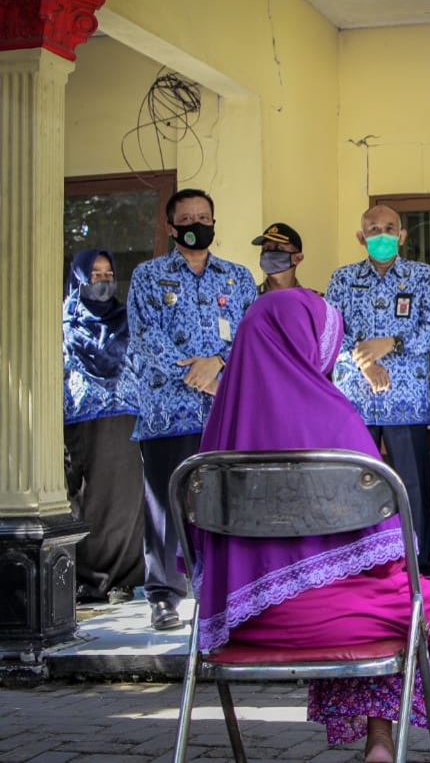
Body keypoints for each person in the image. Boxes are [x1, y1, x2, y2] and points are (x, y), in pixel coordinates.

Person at [190, 289, 430, 763]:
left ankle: (379, 741)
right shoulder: (334, 422)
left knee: (376, 600)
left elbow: (196, 550)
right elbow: (386, 551)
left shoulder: (219, 433)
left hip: (242, 623)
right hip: (332, 619)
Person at [126, 188, 256, 630]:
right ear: (171, 227)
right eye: (187, 217)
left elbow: (251, 336)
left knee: (223, 501)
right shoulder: (148, 276)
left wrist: (218, 364)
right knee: (167, 505)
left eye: (204, 216)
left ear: (214, 223)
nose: (196, 223)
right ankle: (164, 595)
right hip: (168, 411)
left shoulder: (237, 278)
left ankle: (224, 589)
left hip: (224, 410)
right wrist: (198, 374)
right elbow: (145, 336)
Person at [326, 204, 430, 577]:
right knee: (354, 487)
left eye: (389, 228)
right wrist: (366, 361)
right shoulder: (342, 279)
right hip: (355, 404)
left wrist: (390, 342)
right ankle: (357, 568)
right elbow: (330, 335)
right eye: (373, 229)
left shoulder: (422, 277)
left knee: (411, 487)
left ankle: (419, 568)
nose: (381, 235)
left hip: (406, 402)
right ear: (361, 238)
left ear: (402, 235)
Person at [63, 249, 145, 604]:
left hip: (120, 416)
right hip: (72, 419)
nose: (102, 280)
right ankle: (79, 578)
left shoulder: (128, 319)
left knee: (121, 503)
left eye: (108, 273)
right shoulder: (62, 323)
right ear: (78, 278)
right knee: (78, 502)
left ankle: (120, 579)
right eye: (93, 274)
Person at [251, 221, 305, 293]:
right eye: (266, 248)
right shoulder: (247, 301)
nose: (269, 254)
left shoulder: (314, 301)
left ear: (298, 258)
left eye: (279, 248)